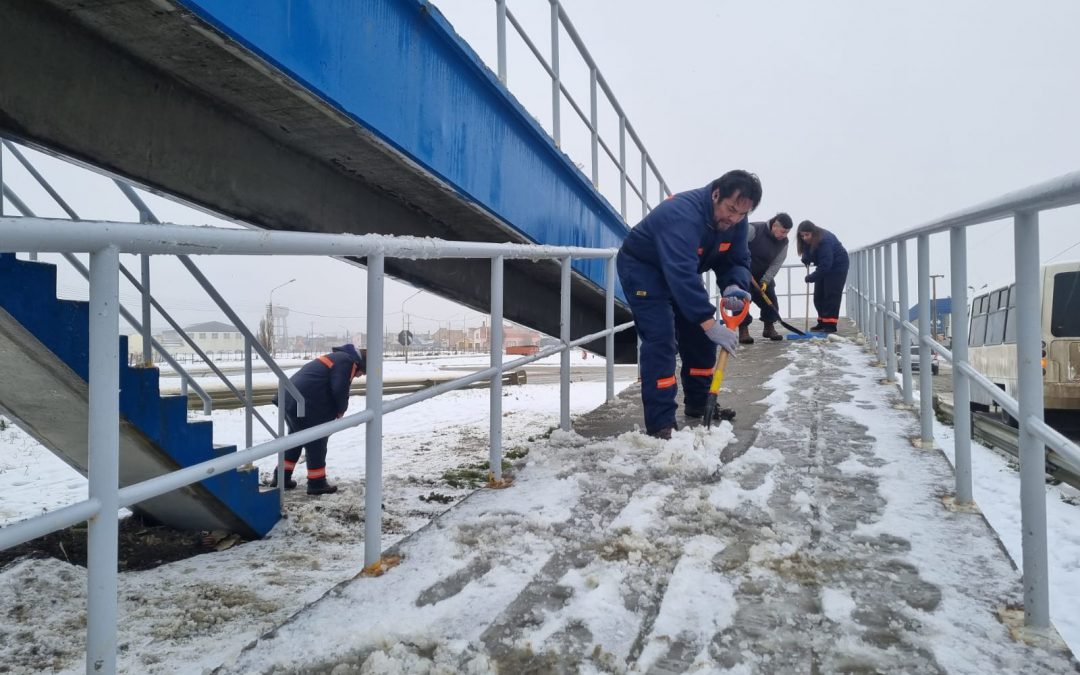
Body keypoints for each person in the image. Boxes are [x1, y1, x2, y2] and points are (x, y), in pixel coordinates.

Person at [617, 170, 762, 439]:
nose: (734, 219)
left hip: (680, 270)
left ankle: (699, 403)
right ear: (716, 194)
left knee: (699, 338)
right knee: (661, 339)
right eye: (731, 209)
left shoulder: (736, 223)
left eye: (742, 214)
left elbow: (737, 260)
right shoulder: (682, 214)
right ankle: (662, 423)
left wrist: (734, 285)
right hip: (644, 270)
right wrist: (709, 322)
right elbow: (681, 274)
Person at [271, 344, 366, 494]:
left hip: (289, 398)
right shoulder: (347, 361)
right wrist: (341, 410)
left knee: (296, 439)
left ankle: (281, 477)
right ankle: (317, 483)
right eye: (361, 372)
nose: (359, 375)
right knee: (317, 440)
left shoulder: (338, 357)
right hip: (302, 401)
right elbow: (340, 388)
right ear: (361, 364)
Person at [738, 212, 793, 343]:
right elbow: (737, 246)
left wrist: (765, 281)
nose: (785, 235)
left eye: (787, 232)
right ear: (774, 226)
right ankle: (743, 329)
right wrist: (743, 267)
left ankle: (769, 327)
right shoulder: (754, 230)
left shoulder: (783, 242)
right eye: (783, 232)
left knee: (771, 299)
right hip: (742, 272)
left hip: (762, 274)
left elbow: (776, 263)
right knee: (742, 300)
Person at [796, 220, 850, 333]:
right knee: (818, 295)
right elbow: (807, 248)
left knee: (831, 294)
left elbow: (826, 265)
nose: (804, 238)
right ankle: (822, 322)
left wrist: (811, 277)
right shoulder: (809, 239)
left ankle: (830, 325)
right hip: (824, 265)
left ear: (813, 232)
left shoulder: (825, 240)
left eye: (807, 235)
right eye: (802, 235)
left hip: (837, 265)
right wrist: (806, 258)